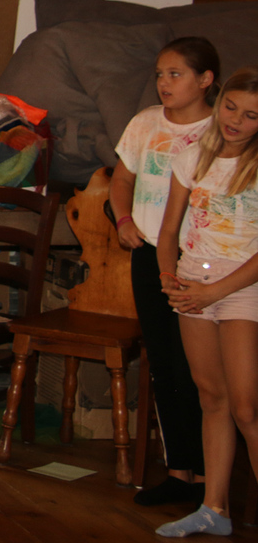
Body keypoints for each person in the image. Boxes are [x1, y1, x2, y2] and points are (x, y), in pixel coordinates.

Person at [111, 37, 219, 508]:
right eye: (159, 74)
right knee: (162, 364)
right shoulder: (144, 122)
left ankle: (209, 478)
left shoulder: (221, 129)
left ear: (205, 79)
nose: (164, 83)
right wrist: (123, 220)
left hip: (198, 262)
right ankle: (178, 471)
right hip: (149, 254)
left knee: (196, 369)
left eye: (175, 74)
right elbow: (122, 179)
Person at [155, 67, 258, 538]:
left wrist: (218, 290)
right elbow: (168, 232)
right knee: (211, 397)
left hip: (243, 288)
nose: (236, 120)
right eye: (231, 107)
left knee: (246, 408)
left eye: (251, 115)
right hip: (192, 284)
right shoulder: (192, 157)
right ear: (219, 102)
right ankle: (214, 509)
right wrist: (169, 278)